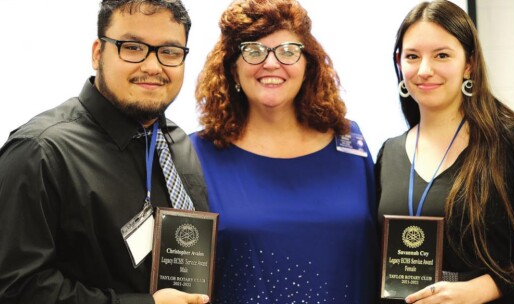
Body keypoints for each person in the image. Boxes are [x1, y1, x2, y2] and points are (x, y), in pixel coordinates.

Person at [0, 1, 210, 303]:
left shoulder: (177, 141)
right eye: (133, 47)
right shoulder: (39, 151)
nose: (153, 66)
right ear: (98, 53)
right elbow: (15, 290)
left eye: (170, 52)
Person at [188, 0, 379, 303]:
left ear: (308, 65)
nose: (271, 63)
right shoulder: (195, 155)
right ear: (232, 68)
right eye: (254, 51)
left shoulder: (349, 143)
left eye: (288, 51)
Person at [376, 1, 514, 303]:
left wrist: (486, 288)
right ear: (400, 62)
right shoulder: (389, 154)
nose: (425, 70)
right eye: (413, 56)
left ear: (469, 64)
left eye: (442, 55)